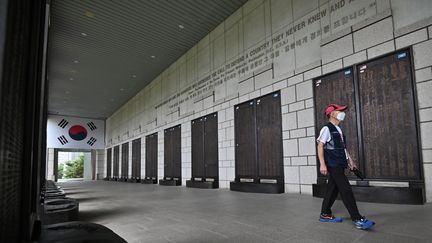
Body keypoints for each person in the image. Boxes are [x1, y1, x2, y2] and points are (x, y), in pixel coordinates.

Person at [316, 104, 375, 230]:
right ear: (332, 114)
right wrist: (322, 164)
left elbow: (342, 148)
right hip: (333, 164)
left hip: (340, 163)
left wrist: (350, 160)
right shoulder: (327, 128)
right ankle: (357, 218)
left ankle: (325, 214)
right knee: (346, 189)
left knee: (333, 189)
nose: (342, 113)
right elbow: (320, 146)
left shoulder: (338, 129)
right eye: (340, 111)